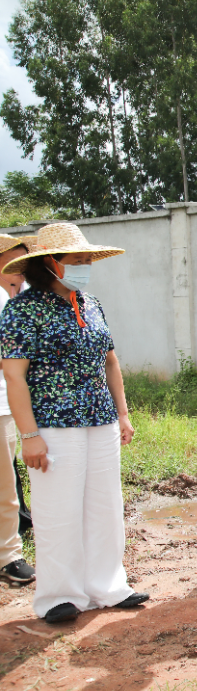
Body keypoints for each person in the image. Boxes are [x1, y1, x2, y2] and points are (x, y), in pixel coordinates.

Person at [0, 222, 147, 624]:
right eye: (77, 260)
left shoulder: (91, 302)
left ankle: (108, 586)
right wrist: (29, 436)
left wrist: (123, 413)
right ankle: (58, 596)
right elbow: (14, 377)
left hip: (99, 419)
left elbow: (110, 361)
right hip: (52, 423)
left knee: (104, 504)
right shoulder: (21, 310)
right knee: (58, 510)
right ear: (50, 263)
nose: (85, 266)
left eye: (87, 259)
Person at [0, 234, 34, 585]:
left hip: (2, 408)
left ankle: (8, 555)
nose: (19, 273)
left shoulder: (18, 301)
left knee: (5, 486)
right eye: (12, 264)